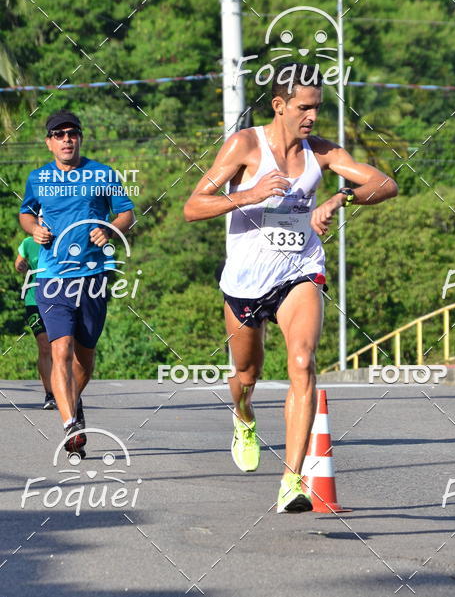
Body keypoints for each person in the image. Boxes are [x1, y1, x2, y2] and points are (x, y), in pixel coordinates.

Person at [184, 64, 397, 512]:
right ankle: (244, 417)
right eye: (304, 107)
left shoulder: (322, 152)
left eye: (317, 107)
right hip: (245, 281)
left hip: (299, 271)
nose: (312, 116)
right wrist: (249, 194)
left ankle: (292, 481)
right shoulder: (244, 145)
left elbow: (385, 183)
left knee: (302, 362)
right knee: (246, 376)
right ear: (279, 105)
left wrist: (341, 197)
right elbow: (193, 206)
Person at [18, 110, 134, 454]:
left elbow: (126, 213)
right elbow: (26, 213)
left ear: (80, 138)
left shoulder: (102, 173)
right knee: (61, 349)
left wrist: (110, 229)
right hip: (52, 277)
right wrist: (34, 229)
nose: (66, 139)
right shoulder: (38, 178)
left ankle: (72, 401)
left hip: (93, 277)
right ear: (49, 143)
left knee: (85, 357)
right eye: (59, 134)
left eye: (72, 133)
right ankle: (70, 425)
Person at [14, 234, 55, 409]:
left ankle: (65, 389)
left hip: (59, 300)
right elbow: (19, 263)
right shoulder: (28, 242)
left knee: (61, 348)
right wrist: (21, 265)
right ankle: (50, 394)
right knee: (44, 345)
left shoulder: (63, 238)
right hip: (34, 301)